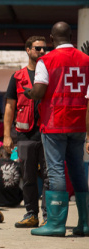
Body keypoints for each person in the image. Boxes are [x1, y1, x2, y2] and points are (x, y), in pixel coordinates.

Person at [25, 22, 89, 237]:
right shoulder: (86, 60)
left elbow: (40, 90)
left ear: (52, 38)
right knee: (78, 170)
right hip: (79, 122)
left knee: (55, 170)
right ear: (71, 36)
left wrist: (30, 93)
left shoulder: (47, 60)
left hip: (54, 122)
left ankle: (56, 224)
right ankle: (85, 223)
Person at [3, 36, 49, 228]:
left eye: (44, 49)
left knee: (49, 177)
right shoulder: (17, 77)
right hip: (25, 136)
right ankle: (31, 214)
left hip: (48, 134)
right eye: (37, 48)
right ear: (28, 50)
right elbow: (9, 107)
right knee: (28, 177)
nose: (42, 52)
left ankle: (50, 216)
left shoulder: (49, 74)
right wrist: (7, 135)